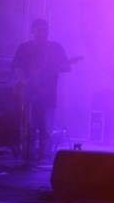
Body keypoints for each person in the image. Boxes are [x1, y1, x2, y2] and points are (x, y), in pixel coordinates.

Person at [12, 19, 71, 163]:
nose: (42, 33)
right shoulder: (24, 48)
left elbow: (66, 67)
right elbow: (17, 66)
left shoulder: (55, 48)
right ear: (32, 31)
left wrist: (60, 67)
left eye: (45, 30)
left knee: (46, 127)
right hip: (29, 93)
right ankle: (28, 155)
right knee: (29, 125)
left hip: (48, 94)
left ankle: (44, 156)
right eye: (39, 30)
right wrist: (23, 81)